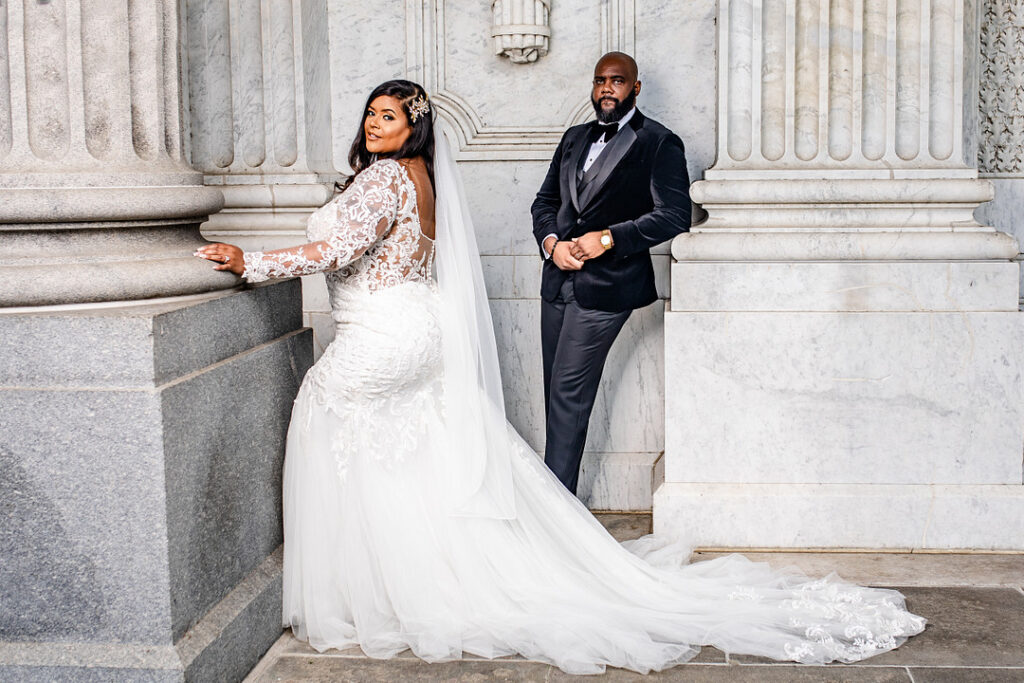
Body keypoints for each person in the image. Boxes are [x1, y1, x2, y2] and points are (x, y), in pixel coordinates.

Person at [197, 79, 924, 676]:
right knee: (415, 449)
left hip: (385, 331)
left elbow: (340, 245)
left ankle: (374, 588)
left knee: (326, 408)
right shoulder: (422, 180)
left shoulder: (386, 176)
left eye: (390, 116)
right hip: (416, 329)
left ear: (412, 130)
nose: (374, 123)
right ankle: (411, 571)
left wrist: (250, 261)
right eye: (371, 113)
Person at [531, 51, 691, 495]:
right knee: (557, 397)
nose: (606, 89)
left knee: (566, 396)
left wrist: (607, 239)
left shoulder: (659, 142)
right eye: (600, 80)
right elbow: (545, 203)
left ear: (635, 88)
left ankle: (555, 514)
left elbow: (675, 215)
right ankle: (559, 507)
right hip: (557, 283)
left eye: (617, 81)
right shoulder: (573, 137)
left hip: (608, 288)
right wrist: (552, 244)